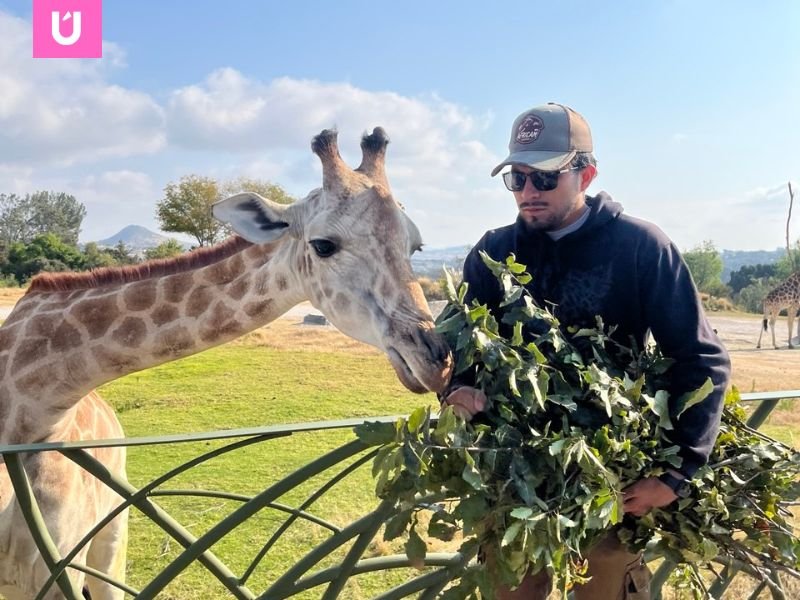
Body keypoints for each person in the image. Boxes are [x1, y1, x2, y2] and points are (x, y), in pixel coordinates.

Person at [442, 103, 731, 600]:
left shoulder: (640, 247)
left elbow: (701, 360)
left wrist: (679, 470)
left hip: (612, 482)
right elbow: (456, 343)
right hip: (512, 477)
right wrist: (457, 385)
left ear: (586, 174)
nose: (529, 192)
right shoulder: (492, 252)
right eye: (517, 178)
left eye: (545, 178)